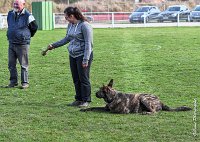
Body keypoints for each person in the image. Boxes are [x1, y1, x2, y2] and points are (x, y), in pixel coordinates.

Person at [46, 7, 93, 107]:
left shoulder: (85, 26)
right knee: (76, 78)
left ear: (72, 16)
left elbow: (89, 44)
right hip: (73, 55)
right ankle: (78, 99)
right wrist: (54, 45)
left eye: (66, 17)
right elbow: (67, 38)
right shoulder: (70, 25)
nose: (65, 19)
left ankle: (86, 100)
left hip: (83, 55)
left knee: (83, 78)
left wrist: (86, 59)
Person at [6, 0, 38, 89]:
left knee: (24, 65)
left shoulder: (28, 15)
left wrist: (26, 35)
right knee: (11, 64)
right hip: (11, 42)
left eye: (17, 4)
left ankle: (25, 83)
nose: (15, 5)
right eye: (14, 3)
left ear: (23, 4)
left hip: (22, 44)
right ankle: (13, 82)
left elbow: (34, 27)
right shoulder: (10, 14)